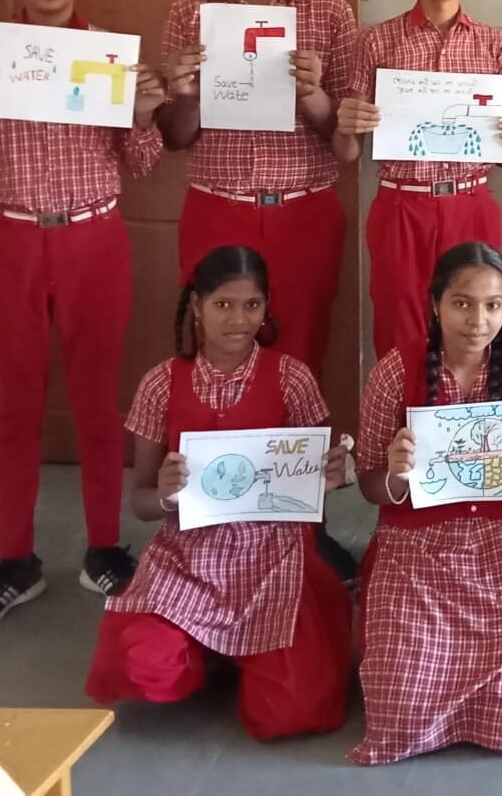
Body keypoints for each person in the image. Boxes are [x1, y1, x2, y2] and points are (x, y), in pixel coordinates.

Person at [0, 0, 165, 633]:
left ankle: (103, 549)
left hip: (94, 239)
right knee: (14, 408)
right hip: (9, 240)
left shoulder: (109, 56)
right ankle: (15, 561)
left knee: (99, 404)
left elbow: (143, 163)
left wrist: (142, 113)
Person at [84, 246, 352, 740]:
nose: (238, 320)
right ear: (196, 305)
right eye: (223, 305)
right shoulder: (161, 384)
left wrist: (331, 477)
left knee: (294, 710)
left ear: (266, 308)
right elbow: (140, 503)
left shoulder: (292, 378)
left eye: (252, 305)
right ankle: (209, 652)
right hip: (189, 557)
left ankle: (237, 652)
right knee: (142, 667)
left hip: (275, 558)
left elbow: (308, 478)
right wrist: (165, 494)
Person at [350, 242, 502, 764]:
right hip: (417, 549)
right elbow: (370, 486)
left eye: (493, 305)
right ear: (435, 304)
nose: (478, 321)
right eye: (462, 303)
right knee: (399, 709)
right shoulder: (394, 370)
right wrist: (395, 471)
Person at [157, 0, 357, 379]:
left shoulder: (330, 12)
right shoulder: (189, 13)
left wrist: (312, 94)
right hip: (216, 205)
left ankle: (294, 438)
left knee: (302, 350)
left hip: (304, 210)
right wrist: (188, 94)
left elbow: (344, 137)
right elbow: (176, 137)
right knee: (213, 351)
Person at [332, 0, 502, 357]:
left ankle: (465, 405)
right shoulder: (376, 41)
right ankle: (403, 406)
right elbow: (347, 151)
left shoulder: (493, 44)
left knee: (475, 328)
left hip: (471, 202)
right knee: (401, 329)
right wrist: (346, 125)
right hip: (402, 206)